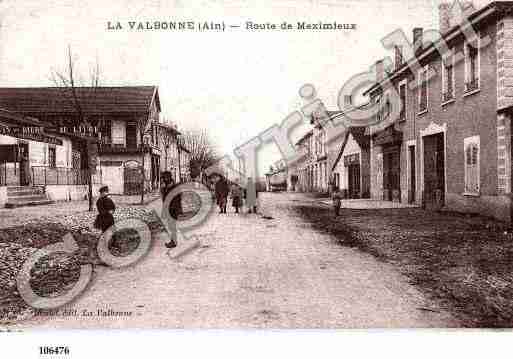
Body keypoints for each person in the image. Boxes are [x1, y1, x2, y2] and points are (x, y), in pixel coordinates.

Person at [160, 171, 179, 249]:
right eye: (163, 178)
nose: (163, 180)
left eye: (164, 178)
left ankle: (173, 242)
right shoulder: (166, 187)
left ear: (168, 178)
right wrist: (163, 188)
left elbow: (177, 199)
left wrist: (176, 210)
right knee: (171, 226)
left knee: (172, 226)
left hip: (173, 209)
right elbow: (163, 198)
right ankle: (173, 241)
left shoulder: (174, 187)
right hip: (169, 208)